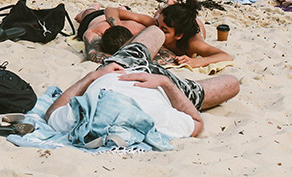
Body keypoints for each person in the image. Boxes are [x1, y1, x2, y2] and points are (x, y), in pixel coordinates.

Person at [45, 26, 239, 138]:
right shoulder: (155, 119)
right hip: (160, 88)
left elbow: (52, 112)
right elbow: (197, 122)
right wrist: (165, 82)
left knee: (156, 31)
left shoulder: (82, 117)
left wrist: (94, 76)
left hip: (119, 70)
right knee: (232, 83)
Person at [100, 0, 233, 69]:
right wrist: (118, 27)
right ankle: (170, 3)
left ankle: (172, 2)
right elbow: (111, 10)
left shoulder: (192, 44)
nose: (158, 30)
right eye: (158, 25)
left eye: (164, 30)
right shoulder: (156, 24)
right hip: (174, 22)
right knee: (159, 15)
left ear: (178, 35)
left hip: (194, 25)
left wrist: (196, 61)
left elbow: (226, 56)